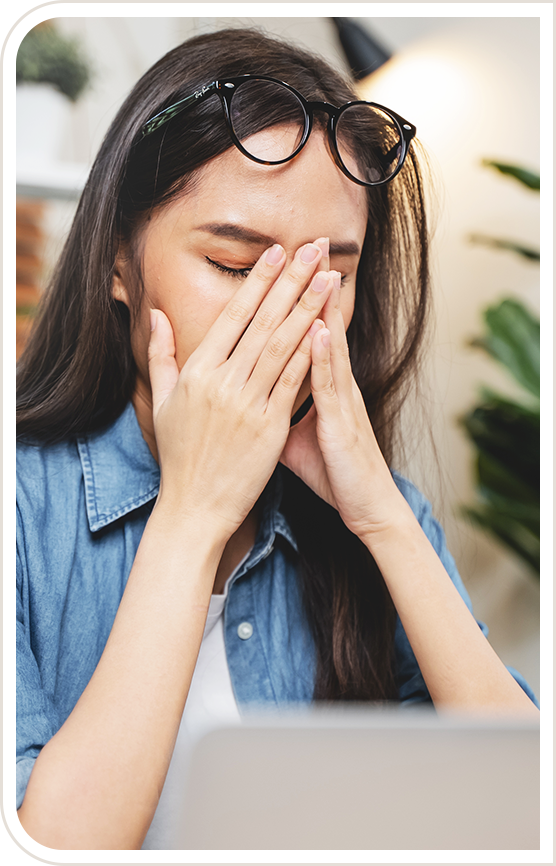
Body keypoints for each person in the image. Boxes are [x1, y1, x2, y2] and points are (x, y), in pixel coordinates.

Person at [16, 27, 539, 850]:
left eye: (330, 272)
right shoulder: (19, 509)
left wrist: (388, 526)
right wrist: (192, 515)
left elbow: (528, 813)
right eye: (234, 265)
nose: (287, 317)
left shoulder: (381, 517)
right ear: (119, 262)